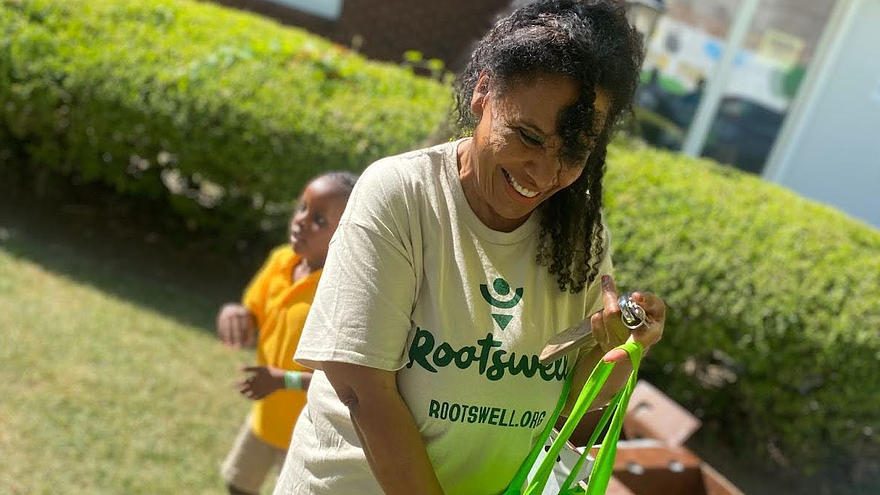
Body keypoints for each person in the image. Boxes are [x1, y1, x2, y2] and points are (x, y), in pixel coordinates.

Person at [273, 1, 667, 494]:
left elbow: (569, 407)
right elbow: (362, 389)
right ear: (483, 90)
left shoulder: (580, 238)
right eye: (527, 135)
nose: (543, 174)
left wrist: (621, 352)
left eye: (573, 152)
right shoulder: (401, 194)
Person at [217, 171, 358, 495]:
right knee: (238, 484)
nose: (301, 221)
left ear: (347, 233)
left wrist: (283, 380)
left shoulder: (340, 289)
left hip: (306, 435)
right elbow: (252, 313)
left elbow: (342, 381)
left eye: (319, 219)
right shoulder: (281, 260)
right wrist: (235, 314)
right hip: (265, 418)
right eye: (302, 208)